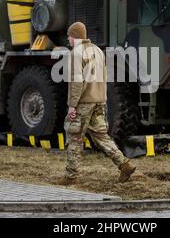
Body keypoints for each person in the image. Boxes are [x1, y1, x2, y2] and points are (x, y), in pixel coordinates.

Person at [58, 21, 136, 185]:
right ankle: (124, 164)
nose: (68, 40)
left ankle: (71, 176)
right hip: (100, 101)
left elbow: (77, 82)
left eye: (69, 37)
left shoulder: (76, 54)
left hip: (84, 102)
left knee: (74, 137)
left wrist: (72, 105)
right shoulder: (98, 51)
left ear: (75, 36)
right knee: (101, 136)